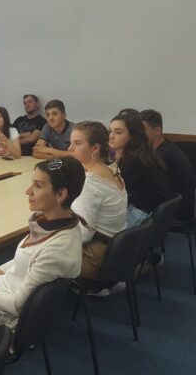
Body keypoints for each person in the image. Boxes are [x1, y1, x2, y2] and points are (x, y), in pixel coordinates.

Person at [0, 158, 84, 336]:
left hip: (11, 315)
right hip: (2, 291)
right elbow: (21, 260)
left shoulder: (58, 248)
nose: (28, 191)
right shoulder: (55, 221)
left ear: (60, 194)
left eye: (38, 186)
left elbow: (17, 306)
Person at [68, 121, 128, 284]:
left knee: (34, 254)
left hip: (95, 257)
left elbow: (84, 234)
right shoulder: (113, 170)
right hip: (115, 253)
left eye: (77, 143)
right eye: (71, 142)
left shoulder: (90, 183)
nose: (70, 148)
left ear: (95, 148)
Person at [109, 114, 172, 228]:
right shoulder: (142, 153)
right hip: (147, 212)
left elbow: (111, 188)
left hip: (139, 215)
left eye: (118, 132)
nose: (111, 136)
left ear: (132, 136)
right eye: (110, 131)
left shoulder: (134, 161)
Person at [140, 109, 196, 222]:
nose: (138, 135)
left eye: (142, 131)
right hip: (172, 209)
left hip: (175, 215)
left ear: (157, 131)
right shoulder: (165, 146)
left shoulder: (164, 155)